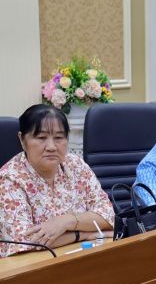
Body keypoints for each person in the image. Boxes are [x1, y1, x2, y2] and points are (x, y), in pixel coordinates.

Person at [0, 104, 114, 257]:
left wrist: (67, 222)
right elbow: (24, 242)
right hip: (34, 267)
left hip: (83, 257)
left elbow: (108, 215)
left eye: (59, 137)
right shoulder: (10, 178)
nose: (52, 147)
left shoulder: (76, 165)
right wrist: (82, 235)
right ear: (22, 140)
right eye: (41, 138)